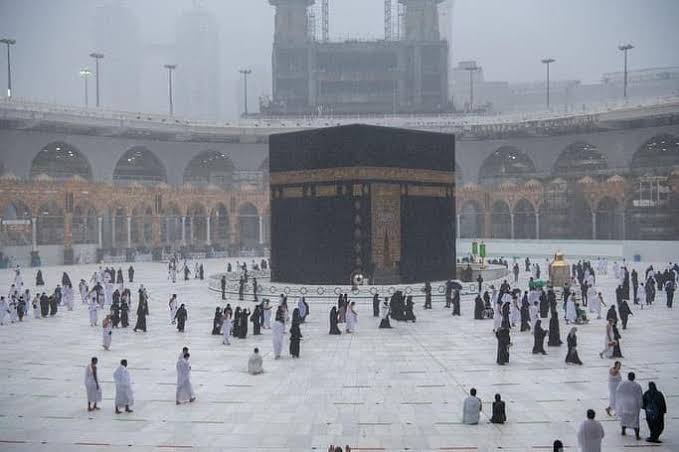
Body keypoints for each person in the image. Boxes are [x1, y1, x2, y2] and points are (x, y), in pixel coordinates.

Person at [616, 372, 643, 439]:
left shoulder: (622, 384)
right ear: (634, 377)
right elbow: (639, 396)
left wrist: (620, 402)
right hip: (633, 404)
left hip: (624, 403)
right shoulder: (637, 385)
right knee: (635, 420)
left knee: (624, 418)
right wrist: (640, 405)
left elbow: (618, 392)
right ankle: (637, 435)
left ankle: (623, 431)